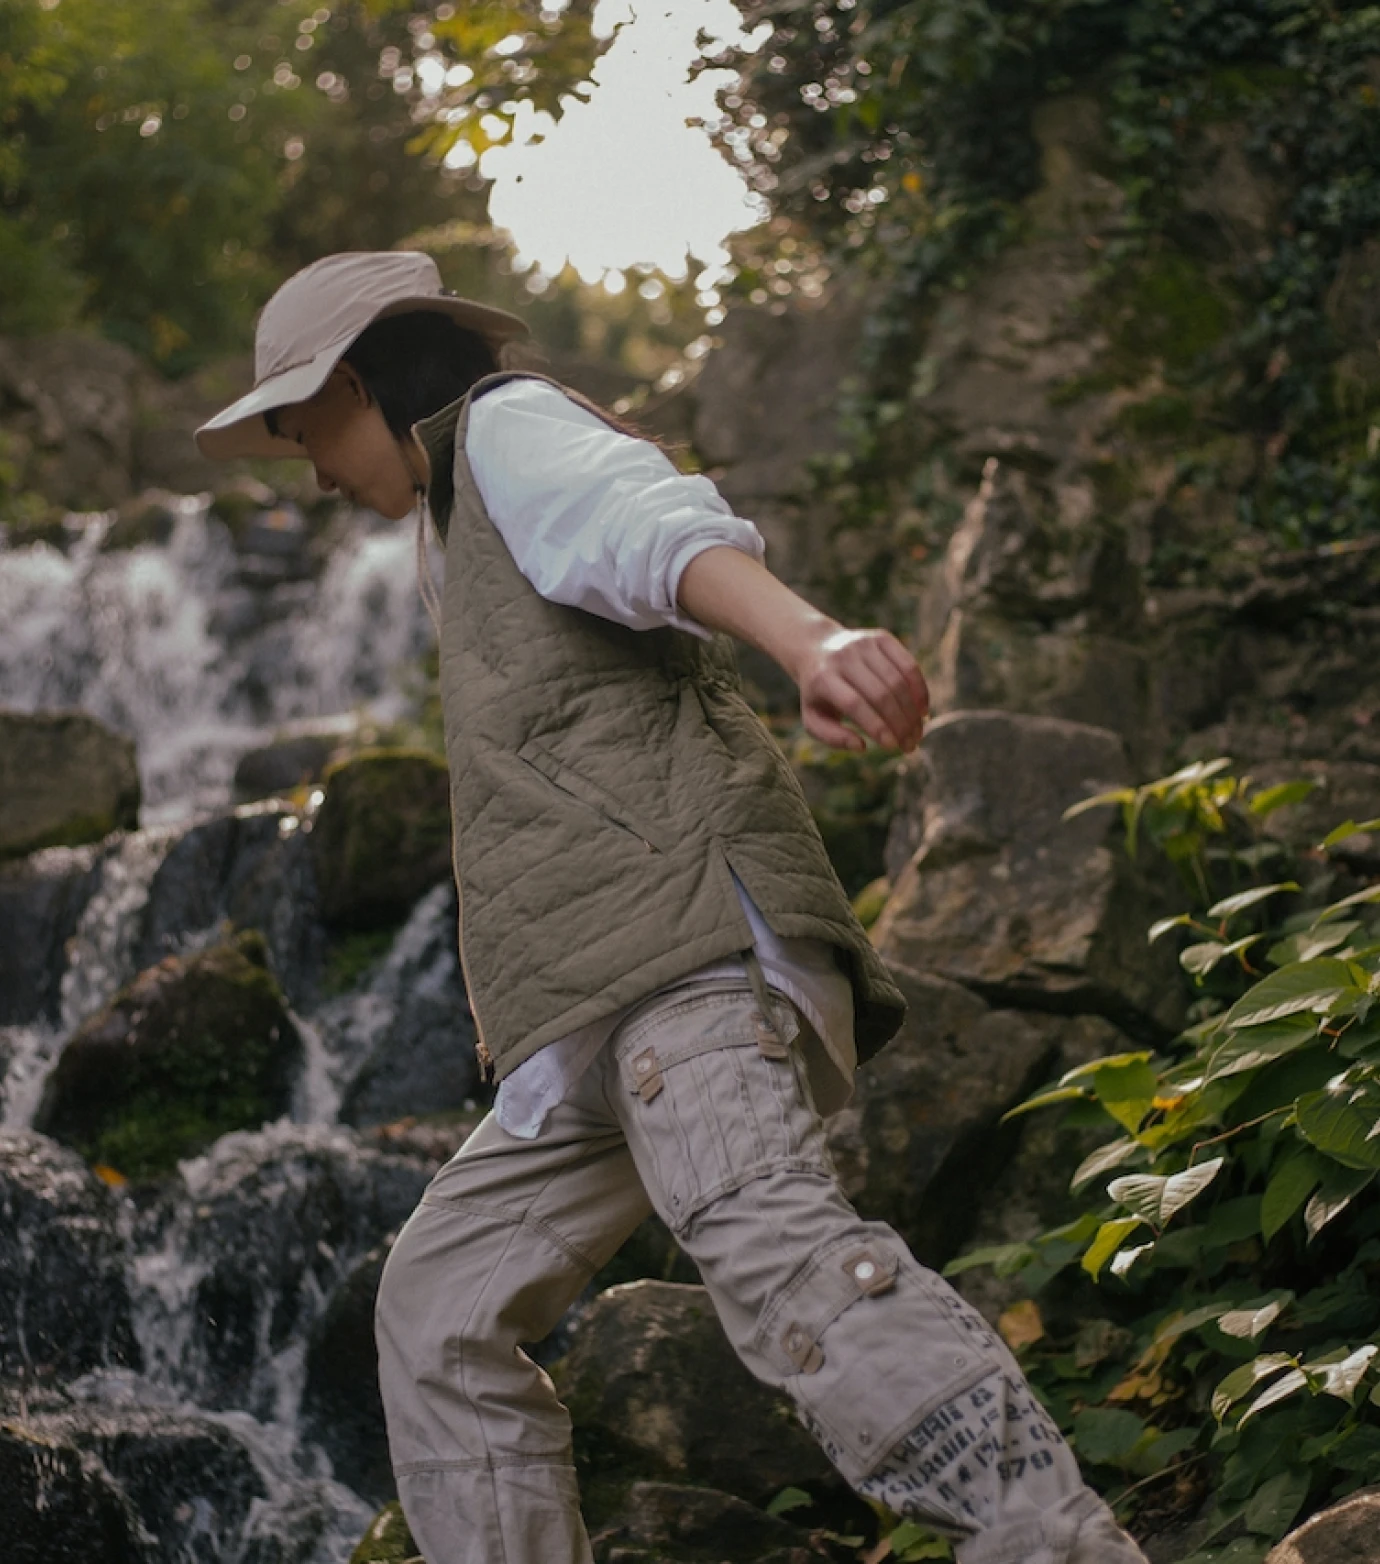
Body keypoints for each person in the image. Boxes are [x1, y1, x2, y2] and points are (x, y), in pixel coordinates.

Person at [197, 250, 1149, 1564]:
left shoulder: (510, 429)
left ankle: (1056, 1546)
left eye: (308, 429)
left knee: (774, 1249)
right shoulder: (445, 520)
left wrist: (809, 642)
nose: (310, 471)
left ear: (360, 384)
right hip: (594, 1010)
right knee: (441, 1306)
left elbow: (651, 528)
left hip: (684, 966)